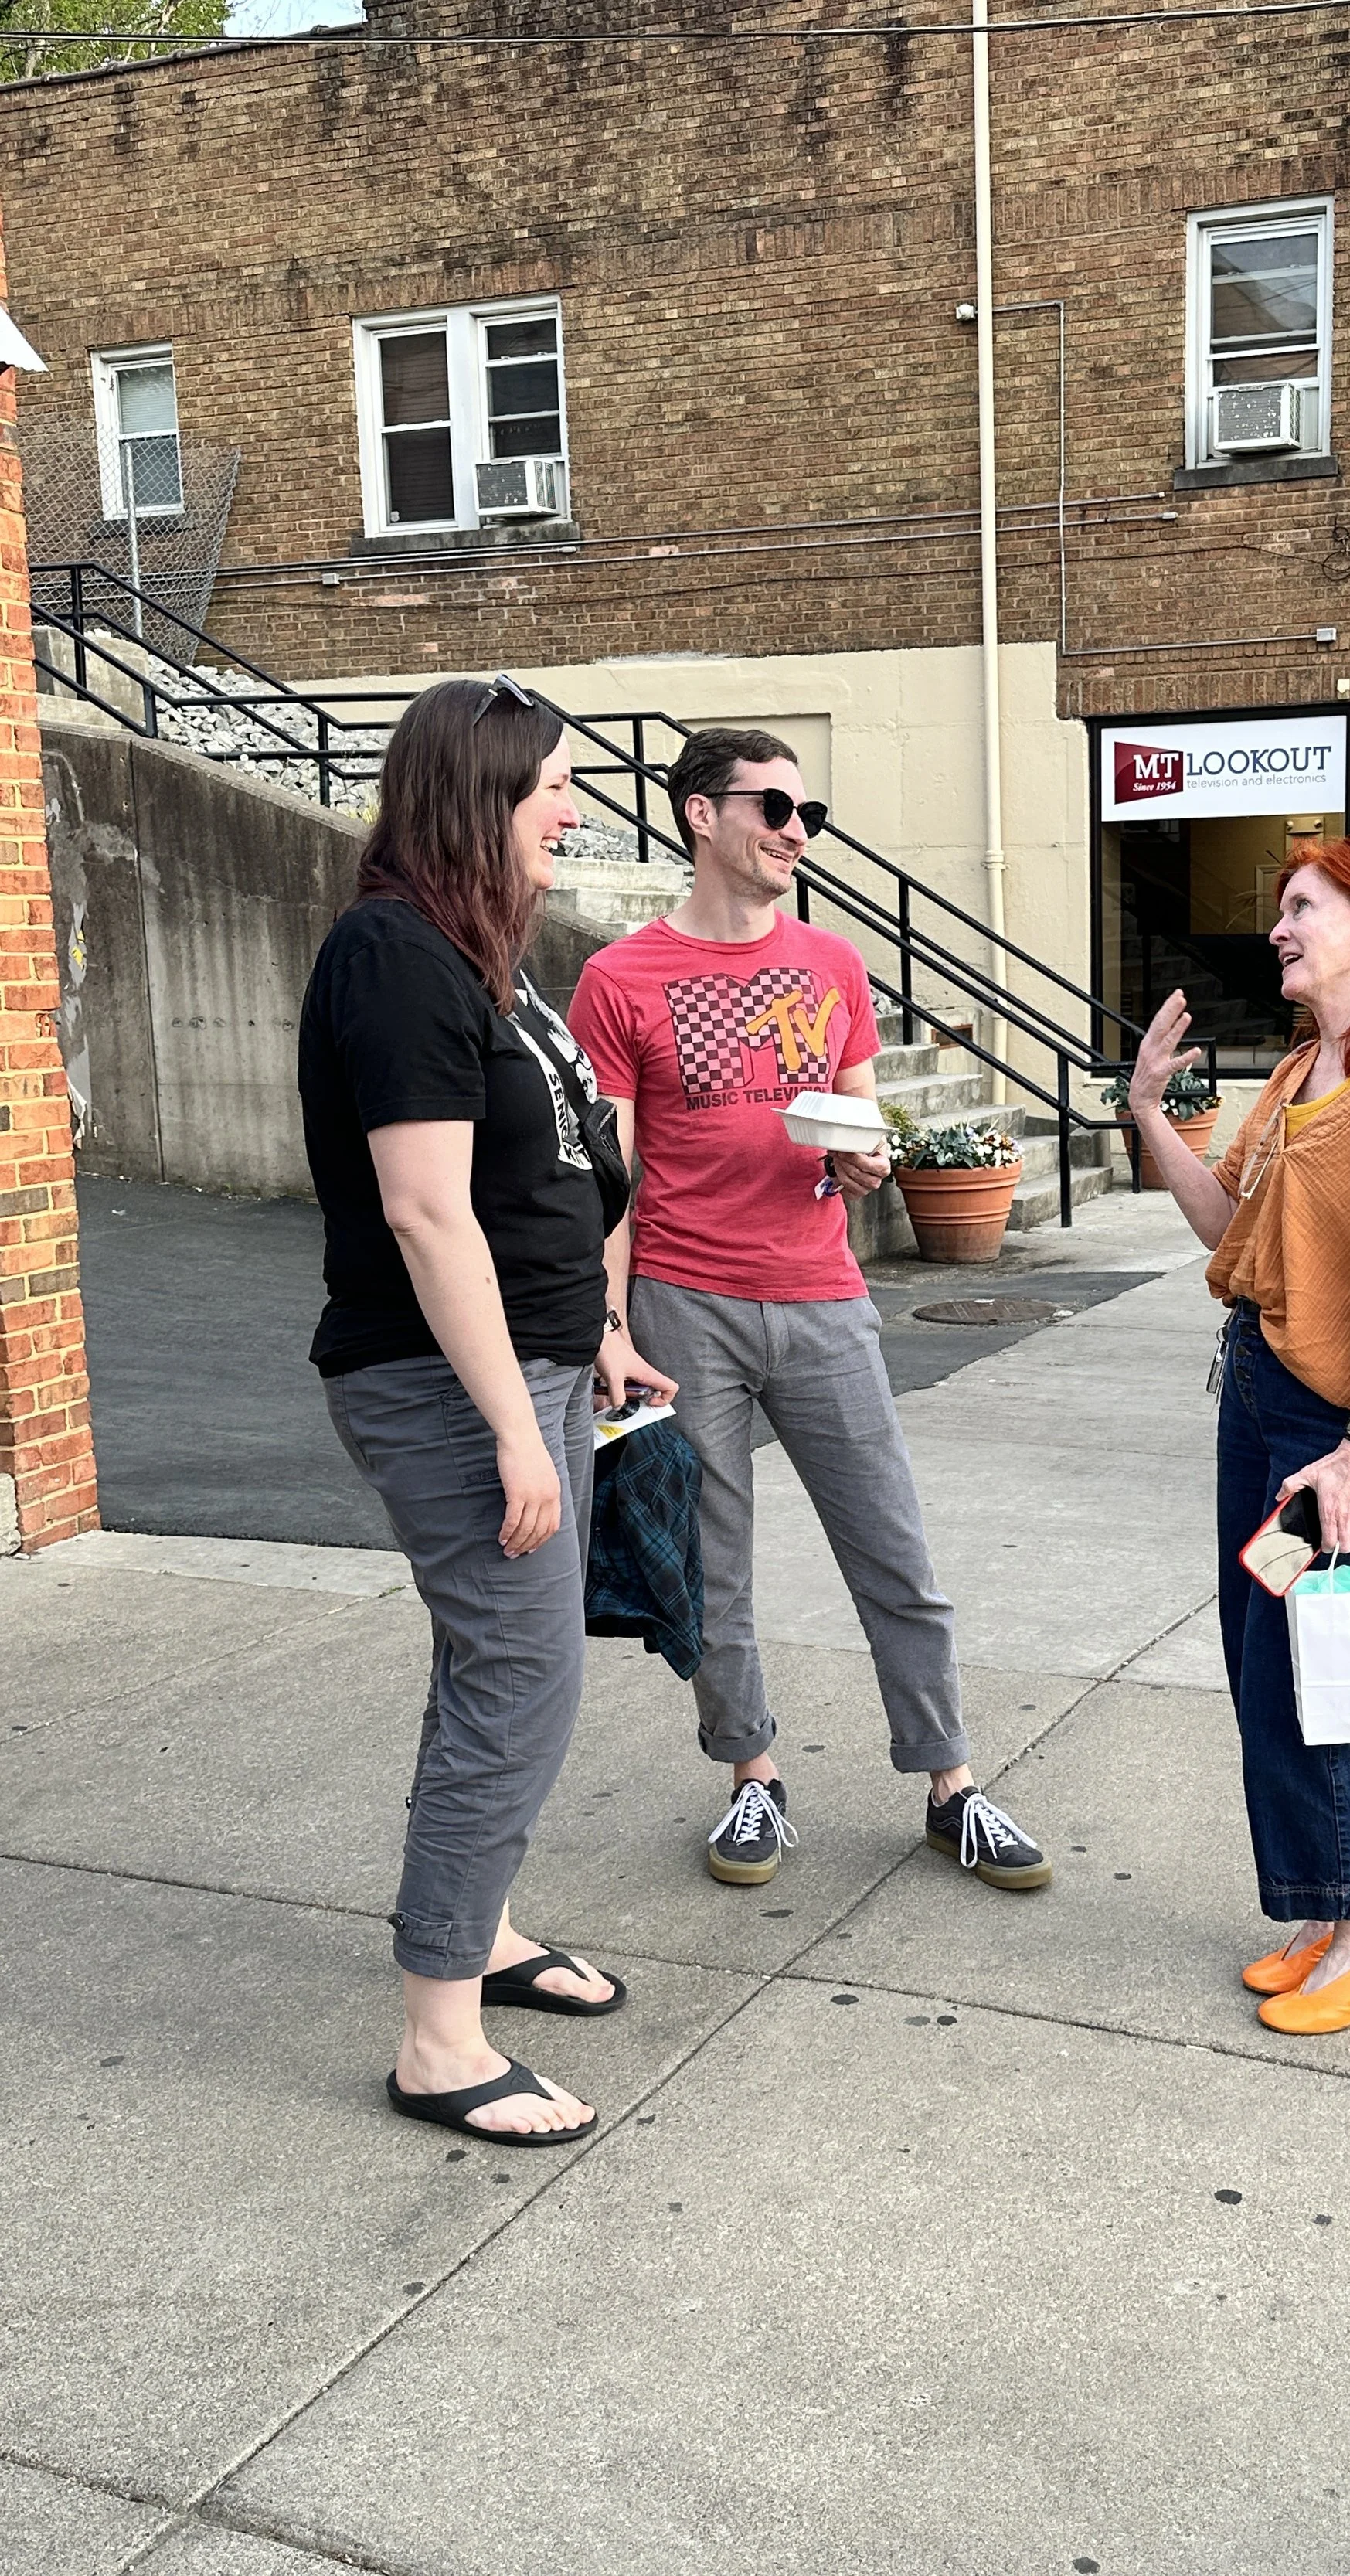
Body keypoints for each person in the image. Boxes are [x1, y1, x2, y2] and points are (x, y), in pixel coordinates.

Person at [567, 726, 1051, 1894]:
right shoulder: (620, 979)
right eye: (775, 807)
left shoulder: (831, 966)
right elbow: (610, 1178)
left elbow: (859, 1115)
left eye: (806, 814)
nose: (796, 831)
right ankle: (752, 1778)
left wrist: (868, 1161)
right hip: (687, 1298)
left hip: (824, 1291)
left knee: (892, 1543)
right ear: (700, 813)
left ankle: (951, 1785)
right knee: (713, 1562)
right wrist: (610, 1326)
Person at [299, 675, 676, 2143]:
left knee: (493, 1672)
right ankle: (437, 2043)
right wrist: (518, 1430)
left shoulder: (481, 956)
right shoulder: (392, 955)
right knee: (522, 1681)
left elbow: (546, 1182)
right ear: (477, 799)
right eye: (551, 788)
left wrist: (597, 1338)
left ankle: (488, 1930)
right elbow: (425, 1212)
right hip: (445, 1386)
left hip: (523, 1370)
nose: (574, 808)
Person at [1126, 825, 1350, 2035]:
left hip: (1345, 1422)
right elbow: (1229, 1228)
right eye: (1281, 908)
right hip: (1264, 1392)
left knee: (1306, 1673)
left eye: (1303, 906)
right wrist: (1146, 1114)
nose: (1278, 927)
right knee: (1257, 1661)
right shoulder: (1297, 1075)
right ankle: (1329, 1913)